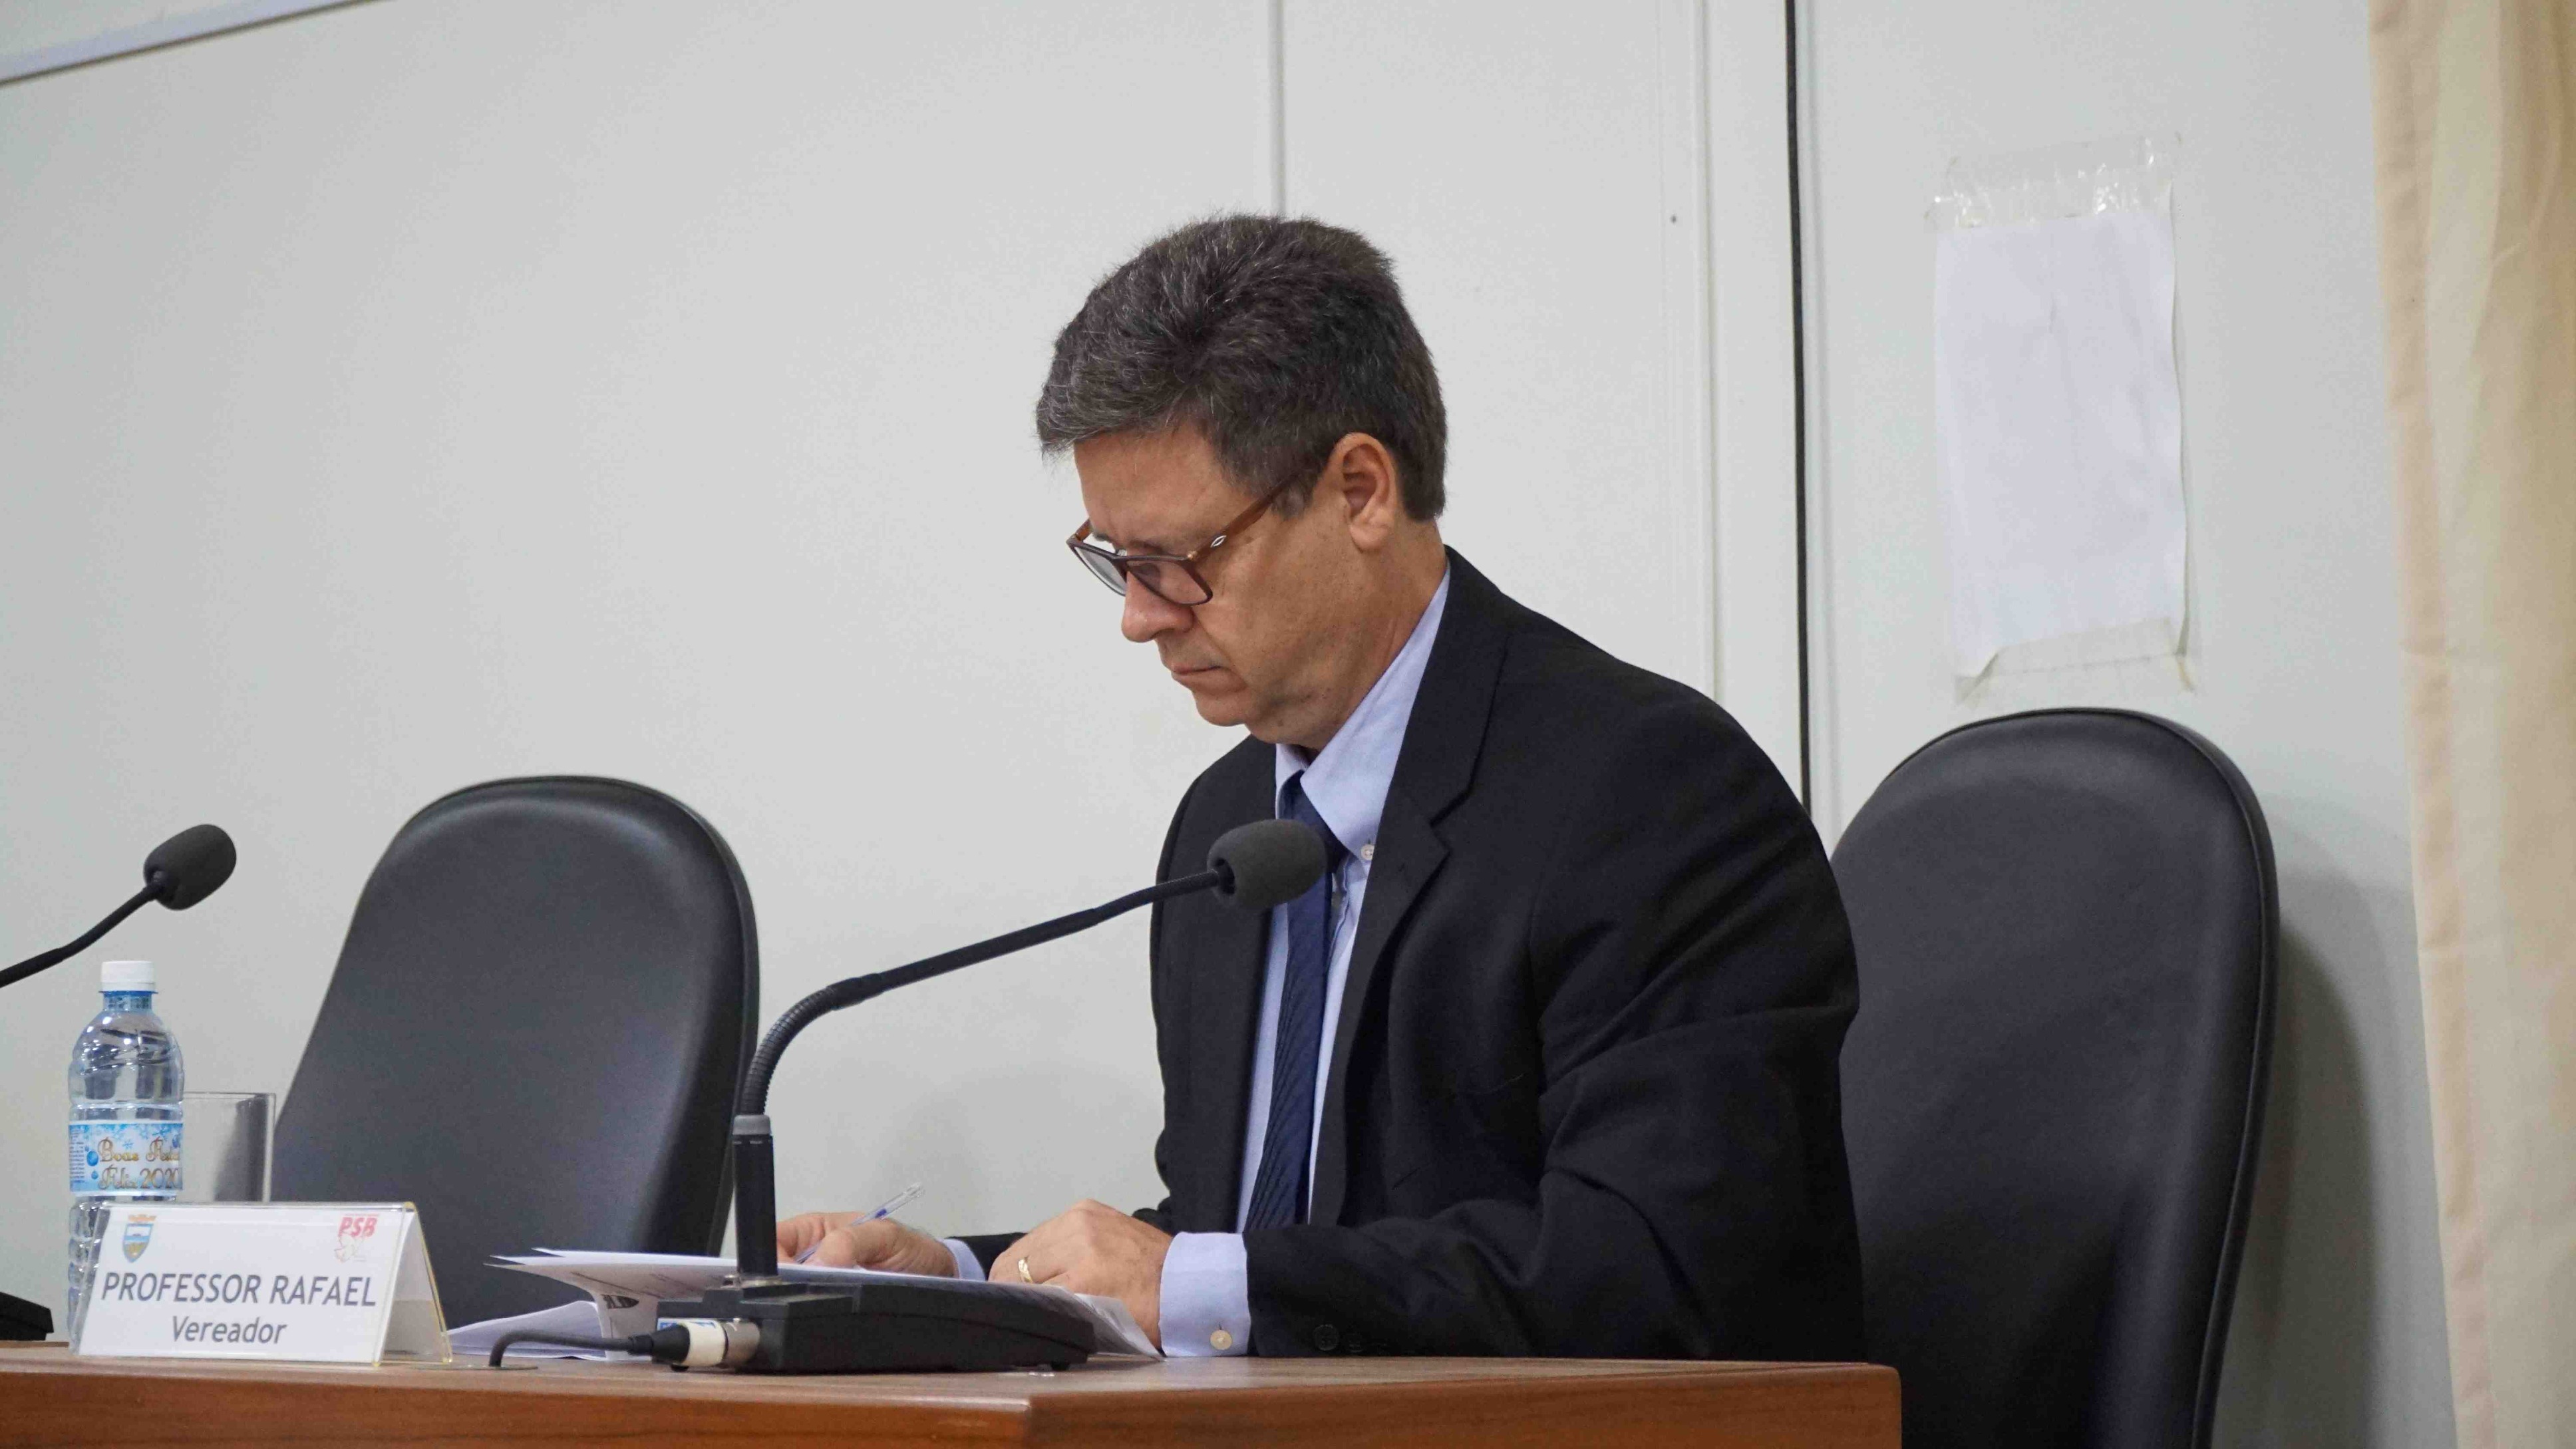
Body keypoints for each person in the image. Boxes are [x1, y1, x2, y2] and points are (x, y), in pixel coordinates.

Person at [780, 215, 1864, 1360]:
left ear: (1359, 492)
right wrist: (962, 1283)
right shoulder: (1230, 828)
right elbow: (1245, 1244)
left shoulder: (1651, 796)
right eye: (1117, 562)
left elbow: (1653, 1264)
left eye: (1175, 563)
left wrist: (1193, 1277)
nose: (1139, 618)